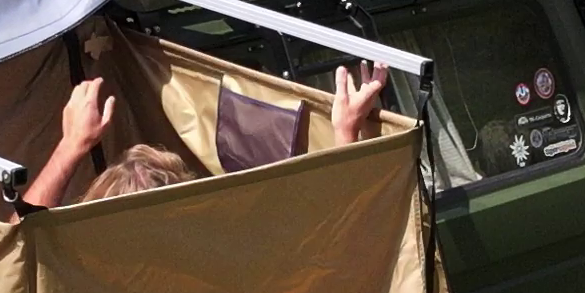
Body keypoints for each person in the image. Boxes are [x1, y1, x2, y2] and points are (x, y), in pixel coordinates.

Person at [21, 62, 385, 208]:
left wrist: (71, 147)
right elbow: (330, 237)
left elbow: (17, 250)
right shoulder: (220, 268)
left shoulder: (87, 272)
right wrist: (344, 135)